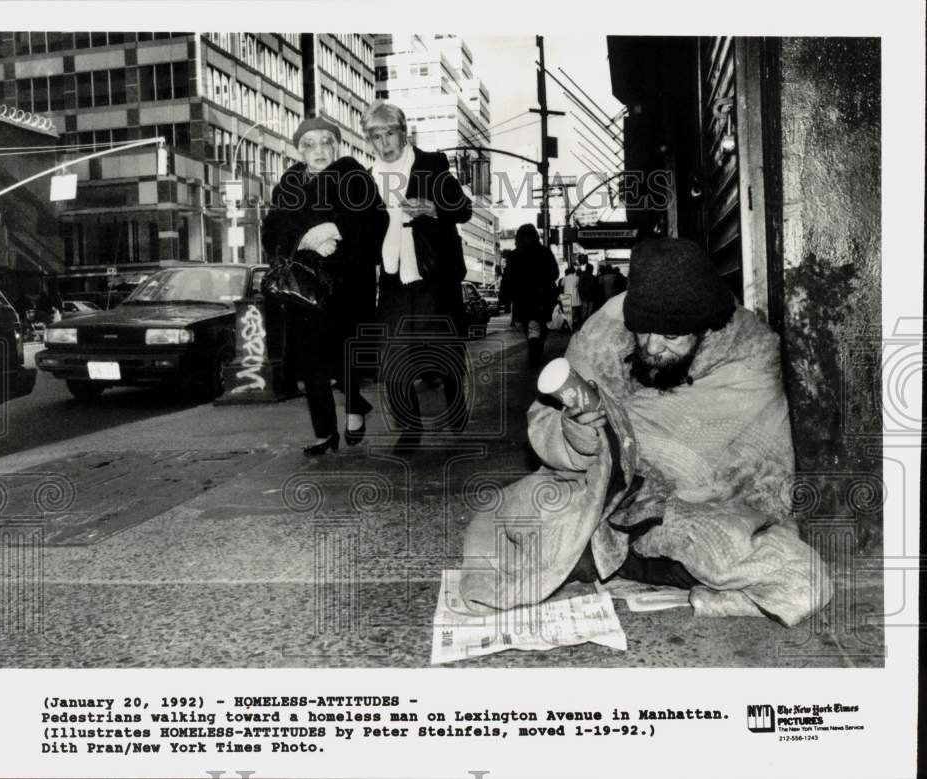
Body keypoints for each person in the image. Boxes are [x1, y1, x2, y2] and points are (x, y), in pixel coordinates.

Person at [460, 238, 832, 627]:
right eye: (644, 331)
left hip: (708, 509)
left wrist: (642, 446)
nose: (653, 347)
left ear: (705, 329)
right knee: (512, 516)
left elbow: (750, 468)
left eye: (672, 337)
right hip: (608, 501)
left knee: (801, 576)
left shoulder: (748, 350)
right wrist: (577, 436)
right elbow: (546, 421)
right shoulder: (606, 329)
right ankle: (607, 555)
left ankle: (613, 560)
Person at [262, 116, 388, 456]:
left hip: (346, 282)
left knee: (343, 355)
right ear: (299, 150)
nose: (318, 149)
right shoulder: (289, 183)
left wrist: (336, 229)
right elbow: (272, 229)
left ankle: (354, 408)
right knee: (310, 362)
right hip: (304, 285)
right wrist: (306, 239)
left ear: (337, 145)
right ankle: (324, 433)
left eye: (325, 141)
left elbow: (377, 219)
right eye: (309, 144)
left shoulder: (353, 174)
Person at [362, 100, 472, 452]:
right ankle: (410, 429)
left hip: (433, 273)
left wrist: (433, 208)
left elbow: (464, 209)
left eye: (390, 133)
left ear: (403, 133)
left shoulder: (432, 166)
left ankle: (455, 405)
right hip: (393, 276)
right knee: (392, 358)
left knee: (445, 352)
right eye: (375, 136)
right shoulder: (366, 179)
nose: (384, 142)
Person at [501, 224, 560, 369]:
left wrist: (504, 298)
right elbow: (555, 273)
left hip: (522, 300)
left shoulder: (514, 255)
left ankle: (533, 347)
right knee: (540, 326)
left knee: (529, 327)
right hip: (542, 297)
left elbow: (507, 278)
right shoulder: (545, 252)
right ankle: (536, 348)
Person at [577, 257, 601, 322]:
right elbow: (595, 287)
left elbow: (580, 286)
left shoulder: (582, 275)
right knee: (590, 308)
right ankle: (588, 320)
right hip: (591, 295)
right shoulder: (592, 277)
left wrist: (580, 293)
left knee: (584, 308)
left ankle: (583, 320)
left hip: (584, 295)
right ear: (591, 269)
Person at [561, 265, 580, 331]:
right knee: (574, 310)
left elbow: (562, 285)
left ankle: (568, 325)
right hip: (574, 296)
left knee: (567, 312)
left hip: (566, 295)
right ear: (574, 271)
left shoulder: (565, 278)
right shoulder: (577, 278)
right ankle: (572, 324)